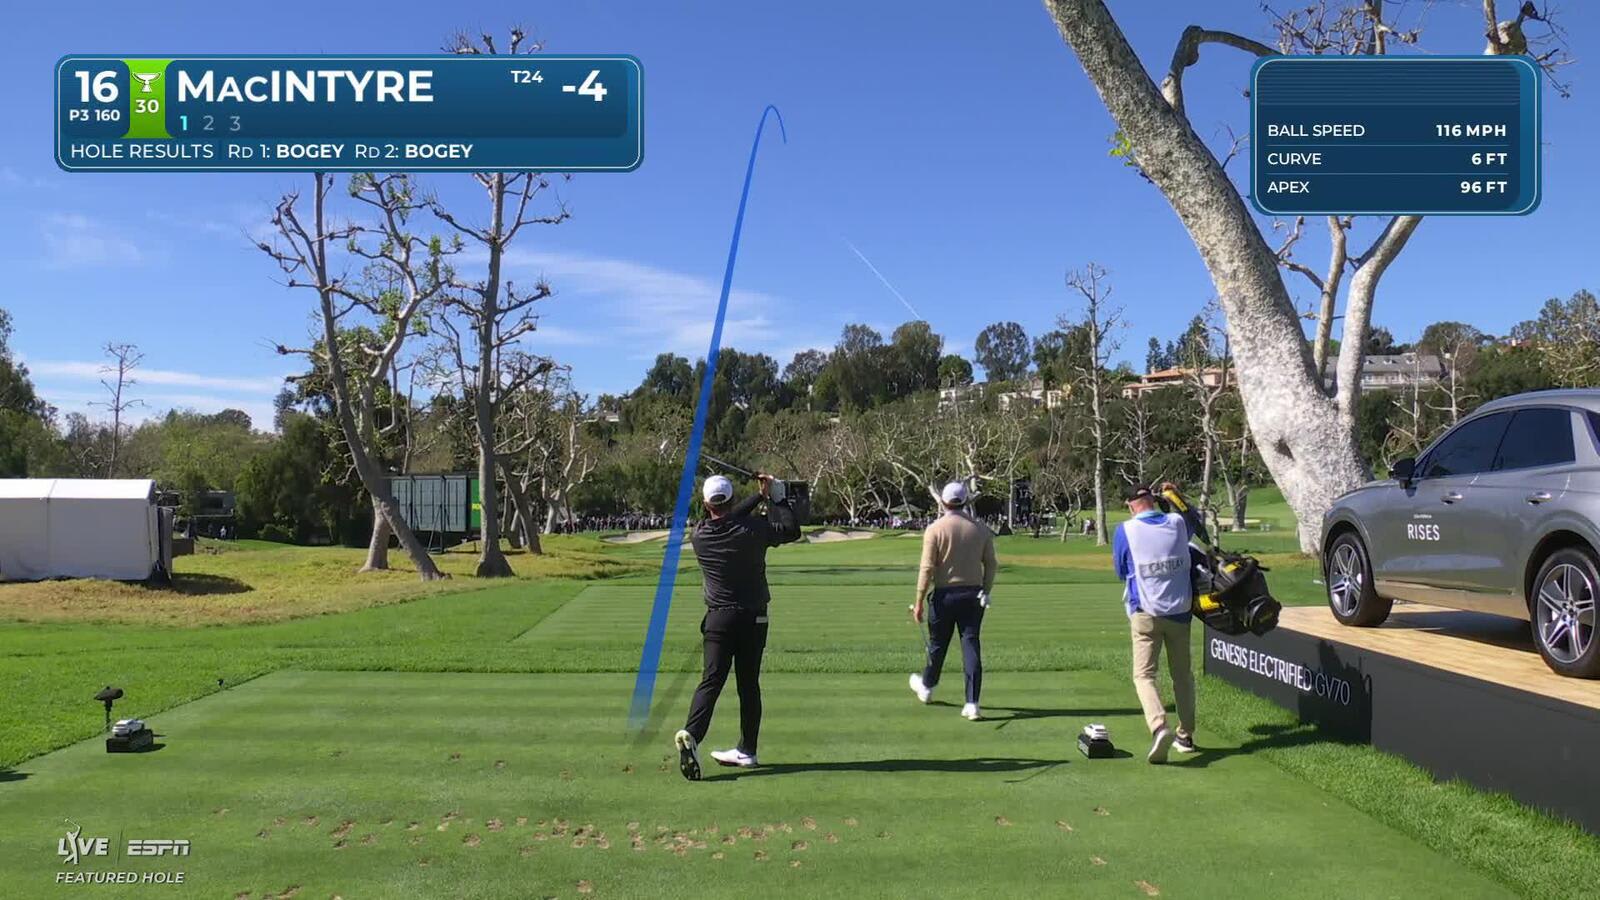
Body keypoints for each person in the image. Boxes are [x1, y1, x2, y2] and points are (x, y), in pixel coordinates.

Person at [674, 472, 801, 781]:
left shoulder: (700, 535)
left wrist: (759, 496)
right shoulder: (754, 529)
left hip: (719, 619)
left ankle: (692, 733)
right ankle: (748, 750)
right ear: (731, 499)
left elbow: (726, 518)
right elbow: (791, 530)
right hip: (754, 618)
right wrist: (776, 497)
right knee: (748, 684)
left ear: (705, 504)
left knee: (711, 681)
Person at [1112, 483, 1198, 763]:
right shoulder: (1176, 522)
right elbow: (1194, 518)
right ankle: (1185, 736)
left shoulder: (1125, 530)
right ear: (1153, 499)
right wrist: (1175, 496)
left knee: (1144, 675)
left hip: (1145, 612)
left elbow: (1120, 570)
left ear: (1130, 505)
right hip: (1180, 612)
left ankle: (1159, 725)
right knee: (1182, 676)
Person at [908, 481, 998, 721]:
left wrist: (918, 601)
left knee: (938, 644)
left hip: (944, 596)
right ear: (966, 501)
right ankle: (972, 703)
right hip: (973, 596)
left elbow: (927, 569)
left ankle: (927, 687)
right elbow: (991, 563)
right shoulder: (980, 528)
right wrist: (986, 590)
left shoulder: (935, 529)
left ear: (944, 502)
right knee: (971, 646)